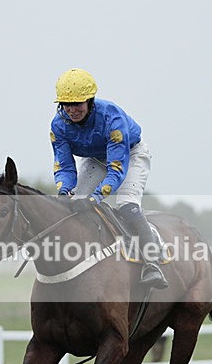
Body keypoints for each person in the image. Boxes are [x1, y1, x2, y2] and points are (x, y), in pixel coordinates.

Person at [50, 68, 168, 290]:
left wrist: (96, 197)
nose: (72, 110)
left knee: (126, 205)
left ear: (90, 102)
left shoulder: (111, 118)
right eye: (67, 104)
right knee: (74, 204)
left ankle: (152, 261)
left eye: (78, 104)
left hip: (130, 155)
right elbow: (64, 165)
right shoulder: (58, 126)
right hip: (95, 158)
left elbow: (116, 169)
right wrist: (64, 190)